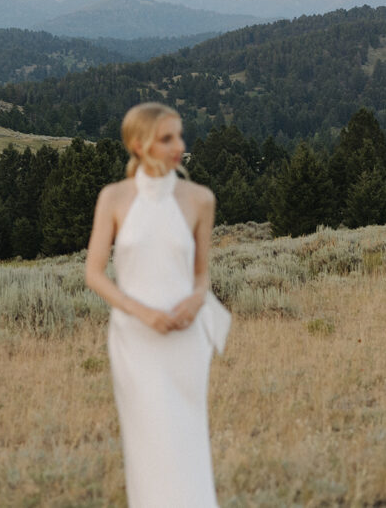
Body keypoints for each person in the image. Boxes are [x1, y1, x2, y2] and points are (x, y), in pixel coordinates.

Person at [85, 102, 227, 507]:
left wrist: (196, 301)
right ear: (138, 144)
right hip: (135, 339)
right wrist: (142, 312)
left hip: (186, 339)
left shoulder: (199, 199)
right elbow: (94, 274)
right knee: (148, 439)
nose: (178, 146)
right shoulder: (113, 198)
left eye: (179, 136)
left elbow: (202, 275)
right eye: (166, 138)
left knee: (186, 436)